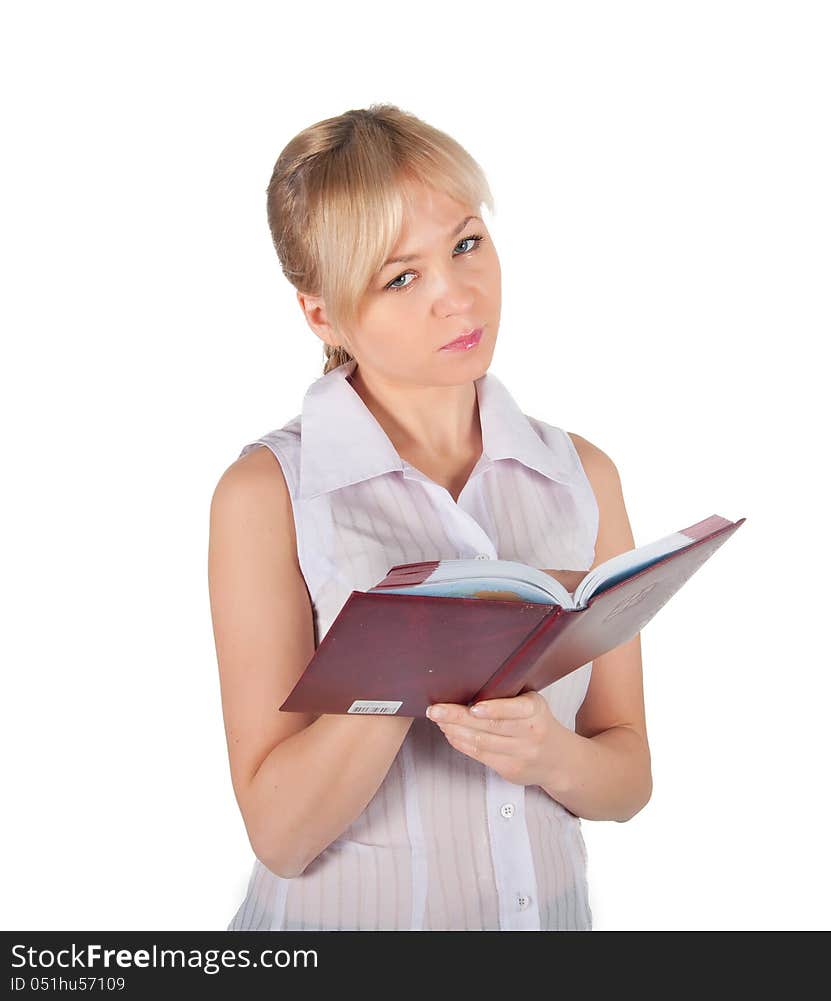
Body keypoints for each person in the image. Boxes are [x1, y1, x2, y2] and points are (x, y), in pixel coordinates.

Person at [208, 103, 652, 932]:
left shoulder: (582, 475)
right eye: (400, 276)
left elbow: (628, 774)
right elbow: (279, 834)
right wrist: (405, 659)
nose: (459, 295)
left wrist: (552, 755)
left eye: (467, 242)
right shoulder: (268, 494)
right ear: (322, 314)